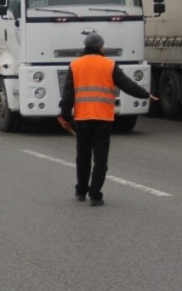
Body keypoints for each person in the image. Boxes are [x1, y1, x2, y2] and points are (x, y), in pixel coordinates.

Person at [58, 33, 157, 206]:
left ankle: (81, 191)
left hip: (82, 117)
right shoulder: (109, 65)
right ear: (100, 47)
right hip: (103, 118)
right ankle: (95, 195)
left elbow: (68, 93)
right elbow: (127, 84)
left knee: (83, 157)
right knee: (100, 159)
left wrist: (64, 115)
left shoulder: (75, 65)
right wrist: (145, 95)